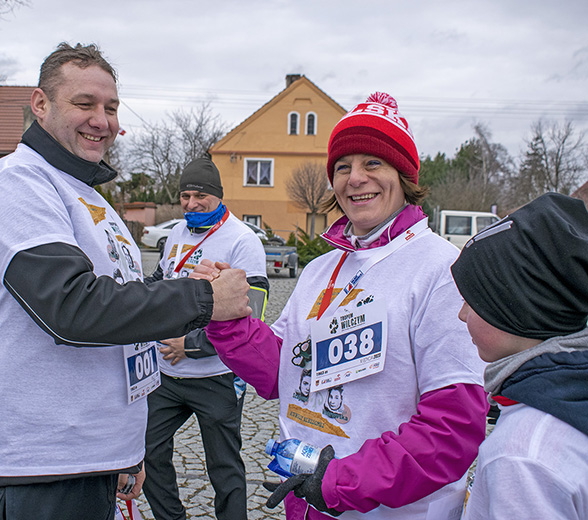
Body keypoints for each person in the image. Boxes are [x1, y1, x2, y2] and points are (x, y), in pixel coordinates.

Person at [0, 42, 250, 520]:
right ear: (40, 104)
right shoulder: (16, 182)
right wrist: (203, 297)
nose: (102, 120)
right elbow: (72, 307)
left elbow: (125, 313)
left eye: (111, 107)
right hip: (32, 468)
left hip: (90, 459)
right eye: (84, 104)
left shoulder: (86, 194)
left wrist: (125, 445)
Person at [199, 92, 488, 519]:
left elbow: (452, 428)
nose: (355, 178)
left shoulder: (440, 267)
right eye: (342, 167)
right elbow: (284, 369)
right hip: (306, 499)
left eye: (373, 163)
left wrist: (338, 481)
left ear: (404, 176)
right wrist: (228, 320)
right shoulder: (320, 268)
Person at [142, 157, 268, 520]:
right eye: (185, 195)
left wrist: (192, 346)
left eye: (200, 195)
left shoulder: (242, 240)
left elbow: (253, 312)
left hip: (216, 377)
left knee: (223, 467)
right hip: (167, 376)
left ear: (217, 196)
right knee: (148, 450)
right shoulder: (176, 235)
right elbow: (158, 284)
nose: (192, 203)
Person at [451, 192, 588, 520]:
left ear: (517, 310)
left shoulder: (524, 457)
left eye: (474, 300)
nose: (461, 314)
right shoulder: (571, 396)